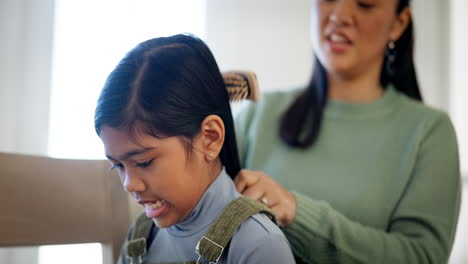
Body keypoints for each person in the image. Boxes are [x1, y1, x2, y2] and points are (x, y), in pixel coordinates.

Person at [234, 0, 461, 263]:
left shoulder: (429, 132)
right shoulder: (257, 113)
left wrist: (297, 215)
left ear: (399, 24)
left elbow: (422, 257)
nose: (340, 15)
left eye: (365, 4)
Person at [94, 34, 295, 264]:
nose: (128, 184)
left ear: (210, 138)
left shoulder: (259, 244)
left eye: (143, 162)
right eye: (117, 166)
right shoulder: (140, 238)